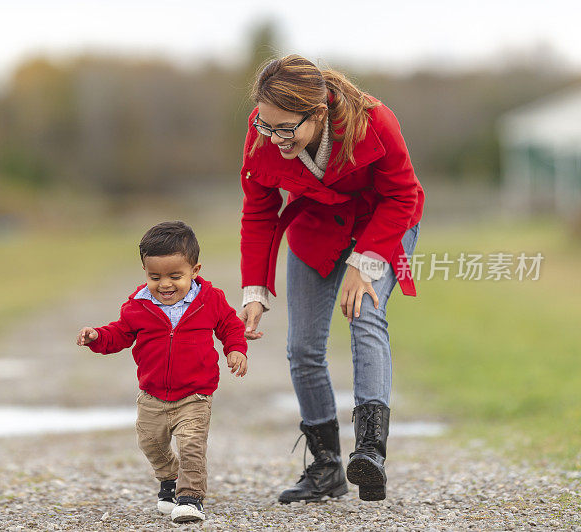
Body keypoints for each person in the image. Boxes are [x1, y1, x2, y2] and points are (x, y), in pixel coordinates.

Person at [238, 55, 424, 502]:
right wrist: (255, 290)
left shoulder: (375, 121)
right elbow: (259, 209)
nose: (274, 137)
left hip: (381, 222)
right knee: (301, 347)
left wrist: (365, 263)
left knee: (365, 314)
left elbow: (402, 194)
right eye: (266, 126)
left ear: (318, 113)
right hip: (316, 229)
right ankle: (326, 468)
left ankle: (370, 452)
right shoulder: (264, 128)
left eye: (286, 128)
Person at [76, 221, 248, 523]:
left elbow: (230, 325)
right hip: (152, 394)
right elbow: (119, 334)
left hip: (195, 393)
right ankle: (169, 480)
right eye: (155, 276)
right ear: (145, 272)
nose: (165, 284)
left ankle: (190, 497)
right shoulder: (138, 306)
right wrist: (97, 337)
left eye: (175, 276)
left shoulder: (210, 300)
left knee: (191, 444)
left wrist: (235, 349)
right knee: (150, 442)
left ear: (195, 270)